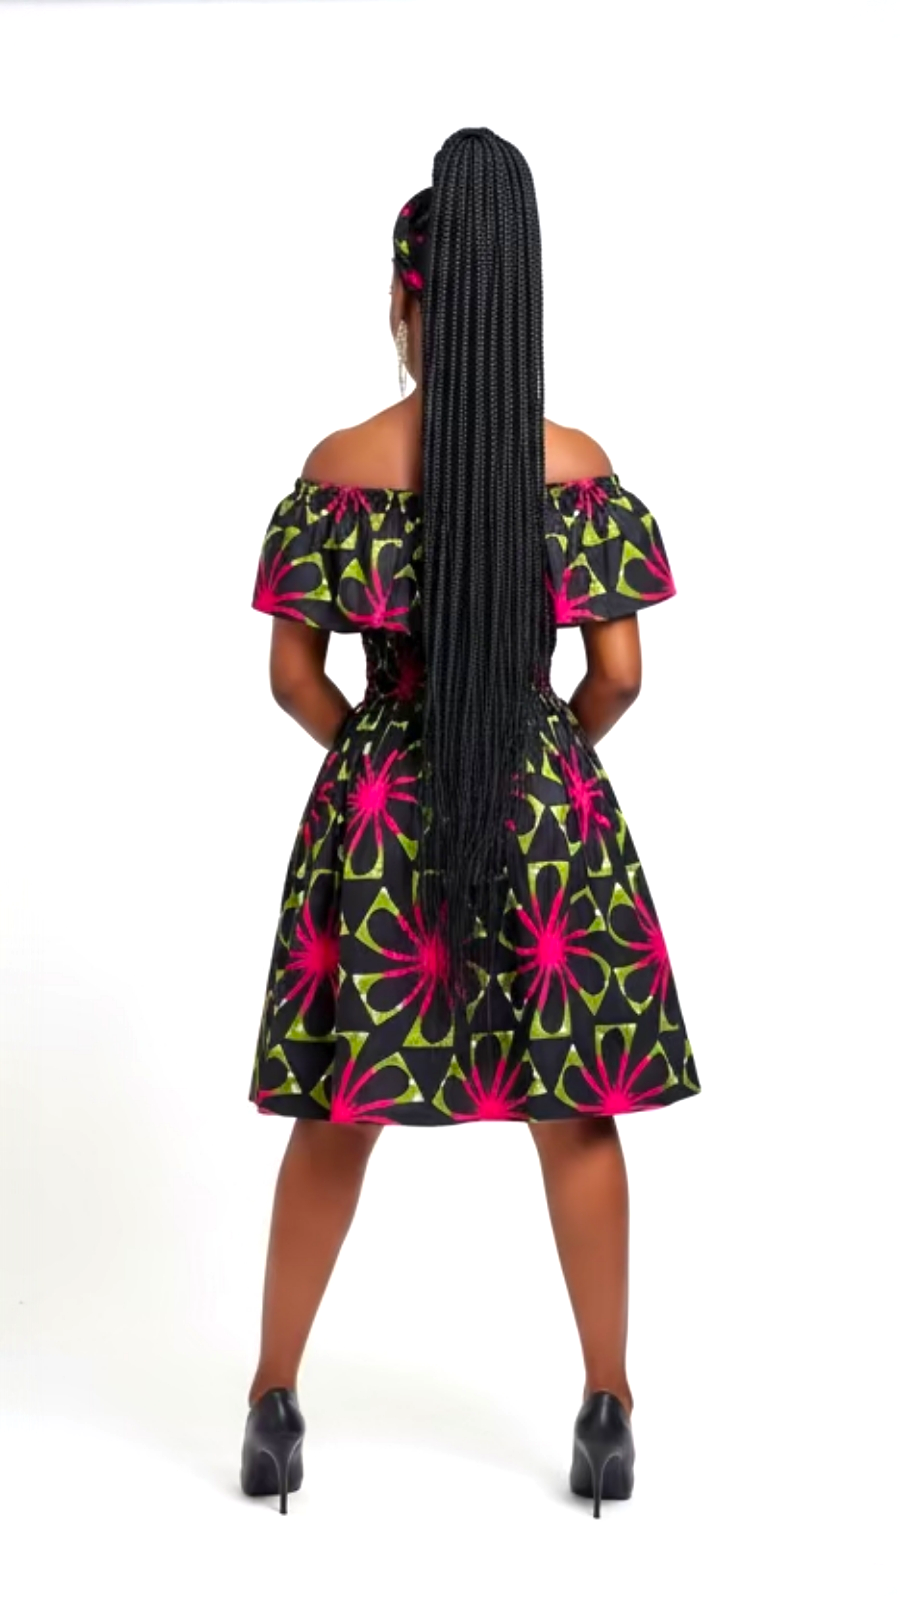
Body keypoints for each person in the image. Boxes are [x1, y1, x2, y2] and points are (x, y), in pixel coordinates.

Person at [240, 126, 701, 1519]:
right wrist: (542, 758)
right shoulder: (577, 468)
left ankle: (271, 1402)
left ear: (407, 300)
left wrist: (382, 755)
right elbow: (619, 676)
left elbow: (292, 678)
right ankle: (607, 1407)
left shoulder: (342, 464)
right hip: (540, 805)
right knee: (577, 1113)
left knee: (342, 1111)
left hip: (388, 815)